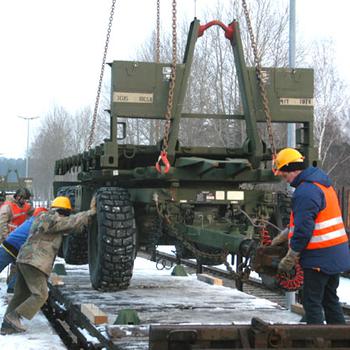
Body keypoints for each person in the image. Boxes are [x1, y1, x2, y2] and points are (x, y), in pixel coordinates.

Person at [274, 147, 350, 324]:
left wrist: (291, 256)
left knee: (311, 302)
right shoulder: (322, 183)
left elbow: (304, 230)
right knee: (330, 300)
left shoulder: (305, 191)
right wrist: (284, 236)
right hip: (335, 254)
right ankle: (339, 339)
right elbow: (311, 220)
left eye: (285, 175)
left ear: (293, 170)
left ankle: (315, 340)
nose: (286, 180)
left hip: (319, 257)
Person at [0, 195, 96, 335]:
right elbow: (69, 222)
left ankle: (7, 326)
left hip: (24, 259)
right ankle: (12, 318)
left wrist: (84, 222)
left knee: (21, 295)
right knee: (41, 294)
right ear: (63, 212)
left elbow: (69, 227)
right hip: (34, 262)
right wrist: (90, 212)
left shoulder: (45, 219)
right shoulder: (49, 217)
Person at [0, 207, 48, 291]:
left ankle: (13, 288)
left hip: (9, 245)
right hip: (14, 247)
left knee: (19, 269)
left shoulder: (30, 221)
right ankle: (12, 287)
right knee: (20, 270)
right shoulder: (37, 224)